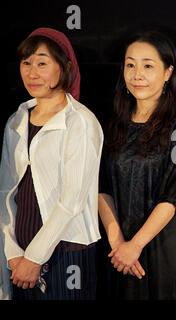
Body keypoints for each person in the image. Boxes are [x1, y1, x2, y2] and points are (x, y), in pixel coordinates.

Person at [0, 27, 103, 300]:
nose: (32, 72)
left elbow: (72, 200)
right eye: (26, 63)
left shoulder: (79, 121)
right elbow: (6, 192)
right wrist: (13, 253)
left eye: (42, 63)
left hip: (67, 253)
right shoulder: (17, 120)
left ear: (65, 67)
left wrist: (34, 258)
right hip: (20, 256)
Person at [98, 31, 176, 300]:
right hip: (117, 251)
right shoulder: (112, 125)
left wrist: (136, 245)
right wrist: (118, 243)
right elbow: (101, 187)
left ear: (168, 73)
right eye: (130, 65)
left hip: (162, 249)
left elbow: (175, 196)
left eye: (148, 65)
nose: (137, 74)